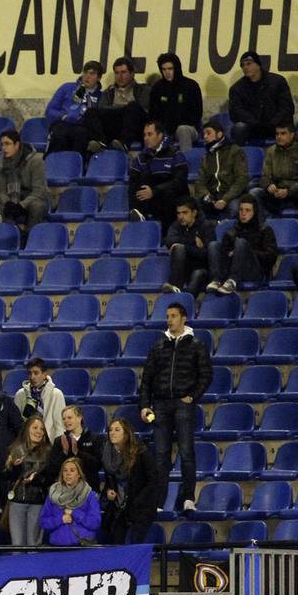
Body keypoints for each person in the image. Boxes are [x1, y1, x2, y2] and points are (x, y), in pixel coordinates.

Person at [139, 302, 211, 512]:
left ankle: (188, 497)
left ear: (183, 318)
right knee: (161, 455)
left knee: (187, 452)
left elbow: (206, 375)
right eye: (168, 316)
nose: (169, 319)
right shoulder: (159, 346)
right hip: (160, 405)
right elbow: (147, 380)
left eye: (173, 316)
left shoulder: (196, 345)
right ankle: (159, 501)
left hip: (182, 404)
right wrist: (145, 405)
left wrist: (192, 396)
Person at [46, 405, 110, 538]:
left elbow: (97, 465)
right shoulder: (60, 441)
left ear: (80, 417)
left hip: (88, 493)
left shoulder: (95, 439)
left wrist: (77, 452)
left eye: (70, 417)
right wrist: (64, 453)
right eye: (64, 418)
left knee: (86, 530)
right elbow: (51, 470)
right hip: (65, 496)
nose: (66, 421)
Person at [253, 124, 298, 235]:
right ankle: (263, 233)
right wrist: (268, 185)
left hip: (297, 192)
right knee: (254, 192)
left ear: (292, 135)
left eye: (283, 133)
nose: (279, 137)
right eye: (277, 134)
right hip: (276, 193)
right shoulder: (271, 151)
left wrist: (289, 191)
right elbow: (264, 177)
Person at [105, 418, 162, 544]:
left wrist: (138, 502)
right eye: (110, 430)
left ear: (126, 433)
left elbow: (152, 481)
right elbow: (110, 480)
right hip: (120, 506)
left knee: (135, 542)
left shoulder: (141, 452)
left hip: (141, 506)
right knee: (116, 541)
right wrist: (109, 490)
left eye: (117, 430)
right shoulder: (108, 453)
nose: (112, 433)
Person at [128, 119, 189, 230]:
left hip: (171, 201)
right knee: (142, 177)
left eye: (150, 134)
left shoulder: (175, 154)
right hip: (152, 201)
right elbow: (133, 181)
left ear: (160, 135)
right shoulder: (141, 157)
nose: (146, 138)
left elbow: (180, 182)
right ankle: (138, 213)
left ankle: (168, 234)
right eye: (144, 135)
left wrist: (155, 191)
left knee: (170, 190)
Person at [0, 416, 51, 546]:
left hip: (38, 502)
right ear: (27, 429)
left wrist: (37, 478)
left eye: (42, 429)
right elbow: (4, 476)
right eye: (35, 428)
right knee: (17, 544)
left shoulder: (49, 451)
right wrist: (15, 468)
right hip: (17, 502)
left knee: (34, 544)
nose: (38, 431)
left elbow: (51, 478)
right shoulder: (15, 449)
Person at [228, 50, 293, 144]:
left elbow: (287, 107)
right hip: (252, 127)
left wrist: (273, 123)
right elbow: (236, 112)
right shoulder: (236, 89)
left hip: (276, 124)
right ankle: (241, 156)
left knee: (286, 127)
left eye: (249, 63)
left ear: (258, 65)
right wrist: (255, 123)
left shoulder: (277, 81)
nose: (245, 67)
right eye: (243, 65)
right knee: (239, 128)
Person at [192, 120, 249, 222]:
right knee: (192, 206)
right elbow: (199, 181)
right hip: (212, 197)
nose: (205, 137)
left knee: (235, 208)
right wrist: (207, 196)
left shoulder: (235, 151)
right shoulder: (206, 157)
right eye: (204, 134)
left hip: (231, 196)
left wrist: (225, 199)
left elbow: (241, 179)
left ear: (219, 134)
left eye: (208, 133)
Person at [44, 61, 105, 156]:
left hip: (83, 129)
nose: (87, 76)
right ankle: (53, 166)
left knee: (82, 135)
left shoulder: (101, 97)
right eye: (85, 72)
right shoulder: (67, 87)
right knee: (60, 134)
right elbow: (50, 110)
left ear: (99, 78)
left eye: (92, 73)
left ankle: (78, 168)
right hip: (63, 124)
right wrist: (63, 116)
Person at [0, 129, 48, 231]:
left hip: (33, 199)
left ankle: (30, 238)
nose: (4, 148)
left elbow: (39, 191)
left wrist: (22, 205)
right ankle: (11, 237)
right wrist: (8, 203)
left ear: (17, 144)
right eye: (2, 145)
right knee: (0, 209)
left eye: (7, 144)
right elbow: (2, 191)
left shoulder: (36, 160)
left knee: (37, 206)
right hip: (13, 198)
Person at [149, 52, 203, 154]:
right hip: (165, 129)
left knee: (182, 130)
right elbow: (153, 114)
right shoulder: (157, 88)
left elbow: (196, 114)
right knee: (154, 132)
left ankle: (186, 163)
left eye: (170, 69)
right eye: (164, 69)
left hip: (188, 127)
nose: (167, 72)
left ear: (177, 68)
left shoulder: (191, 86)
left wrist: (174, 124)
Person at [40, 458, 102, 547]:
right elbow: (43, 522)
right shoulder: (53, 495)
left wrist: (75, 513)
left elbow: (95, 523)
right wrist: (60, 519)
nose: (68, 473)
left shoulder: (89, 495)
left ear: (79, 474)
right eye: (65, 470)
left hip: (82, 548)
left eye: (72, 470)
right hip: (57, 548)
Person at [93, 58, 150, 150]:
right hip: (114, 124)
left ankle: (124, 143)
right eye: (117, 73)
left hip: (134, 127)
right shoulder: (108, 93)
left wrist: (120, 108)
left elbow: (144, 110)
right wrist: (121, 109)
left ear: (132, 74)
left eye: (123, 72)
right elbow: (102, 110)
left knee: (133, 107)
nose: (120, 76)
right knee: (91, 112)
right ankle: (100, 142)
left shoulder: (143, 90)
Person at [163, 197, 216, 295]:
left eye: (185, 212)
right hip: (185, 267)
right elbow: (169, 241)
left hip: (201, 267)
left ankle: (185, 301)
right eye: (178, 213)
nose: (181, 216)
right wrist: (192, 242)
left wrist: (186, 247)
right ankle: (175, 286)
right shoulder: (176, 225)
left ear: (194, 213)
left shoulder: (206, 226)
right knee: (179, 248)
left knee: (197, 274)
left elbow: (207, 253)